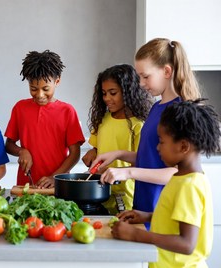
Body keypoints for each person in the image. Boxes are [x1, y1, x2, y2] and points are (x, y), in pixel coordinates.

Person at [91, 38, 201, 223]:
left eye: (145, 76)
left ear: (166, 71)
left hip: (163, 209)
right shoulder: (156, 107)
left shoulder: (181, 112)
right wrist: (119, 154)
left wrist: (127, 172)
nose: (141, 83)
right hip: (143, 207)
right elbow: (151, 158)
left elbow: (178, 172)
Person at [112, 99, 220, 268]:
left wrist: (136, 235)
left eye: (161, 141)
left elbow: (187, 243)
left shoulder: (189, 186)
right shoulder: (182, 178)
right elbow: (179, 220)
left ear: (183, 146)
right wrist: (147, 216)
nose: (157, 148)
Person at [5, 50, 85, 188]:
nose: (40, 94)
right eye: (34, 88)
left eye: (45, 88)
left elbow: (75, 153)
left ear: (57, 81)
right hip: (26, 186)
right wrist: (21, 151)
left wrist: (55, 177)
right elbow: (9, 145)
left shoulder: (67, 111)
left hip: (58, 186)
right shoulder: (20, 108)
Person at [82, 64, 153, 214]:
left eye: (113, 93)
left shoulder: (138, 125)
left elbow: (142, 162)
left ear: (128, 92)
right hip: (100, 192)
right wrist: (92, 151)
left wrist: (116, 171)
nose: (107, 98)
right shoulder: (103, 119)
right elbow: (98, 146)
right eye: (104, 93)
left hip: (125, 195)